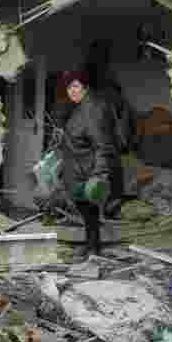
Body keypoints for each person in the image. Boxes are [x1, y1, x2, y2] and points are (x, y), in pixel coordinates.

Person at [55, 69, 123, 258]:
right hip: (78, 168)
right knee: (88, 212)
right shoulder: (80, 107)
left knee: (90, 210)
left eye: (76, 86)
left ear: (84, 87)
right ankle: (91, 245)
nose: (72, 91)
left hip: (88, 170)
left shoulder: (93, 109)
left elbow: (103, 145)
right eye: (68, 88)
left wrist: (99, 174)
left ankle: (93, 248)